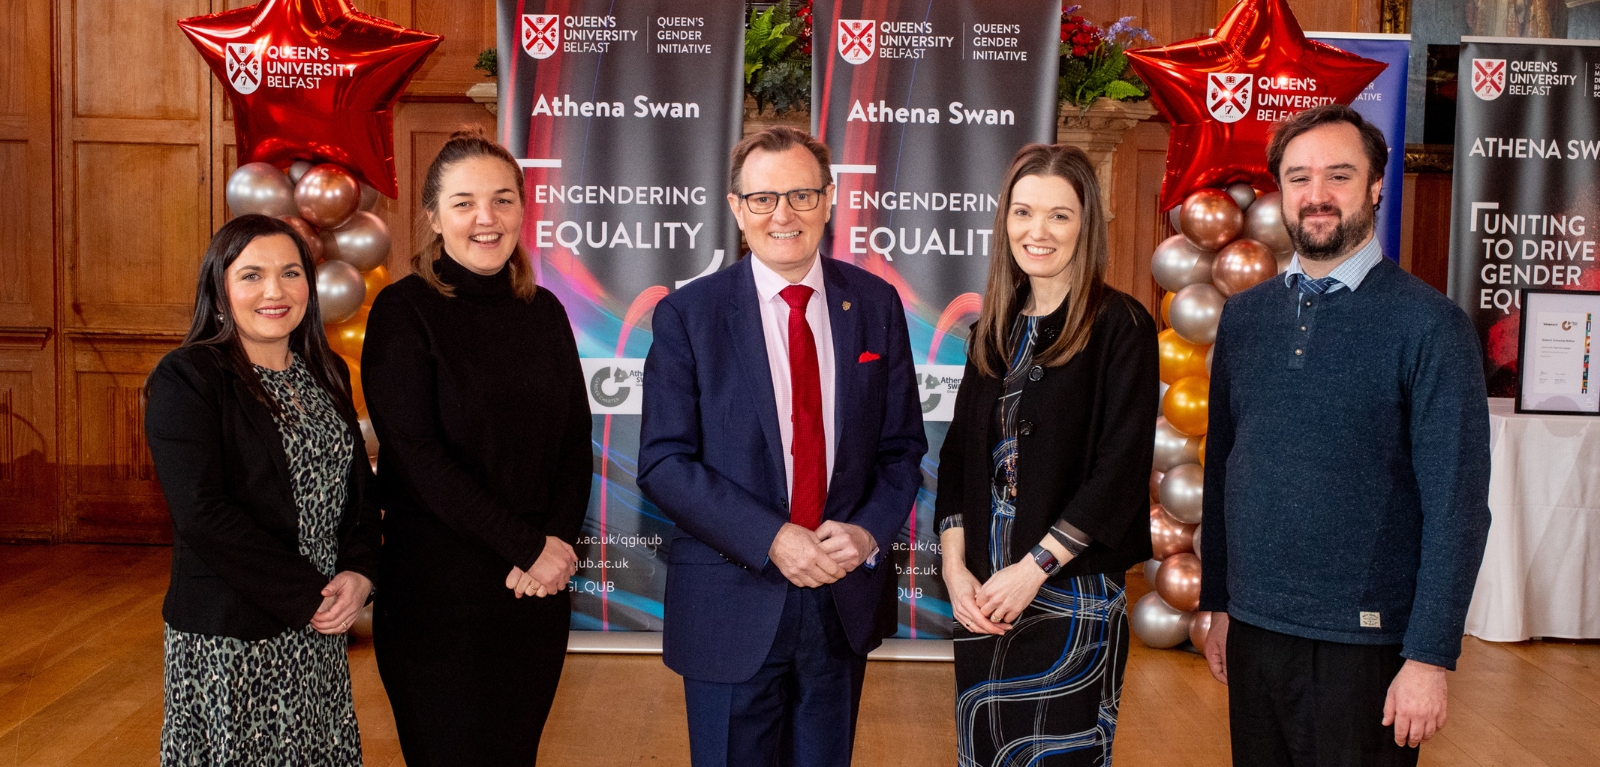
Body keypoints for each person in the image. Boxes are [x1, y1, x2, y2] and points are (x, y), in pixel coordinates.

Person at [1199, 103, 1492, 765]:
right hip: (1253, 632)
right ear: (1280, 191)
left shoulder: (1430, 326)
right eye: (1299, 178)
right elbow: (1223, 470)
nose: (1317, 195)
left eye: (1339, 175)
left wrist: (1429, 654)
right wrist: (1219, 601)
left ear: (1377, 185)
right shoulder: (1245, 319)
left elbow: (1457, 507)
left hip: (1367, 647)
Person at [636, 125, 927, 767]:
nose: (783, 215)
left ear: (829, 199)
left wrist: (868, 534)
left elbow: (902, 448)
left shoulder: (875, 304)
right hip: (729, 605)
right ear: (737, 208)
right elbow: (663, 462)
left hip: (840, 600)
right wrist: (771, 537)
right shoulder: (689, 314)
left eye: (800, 194)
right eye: (763, 199)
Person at [362, 129, 590, 766]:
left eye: (502, 200)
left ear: (522, 208)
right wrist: (527, 546)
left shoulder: (545, 311)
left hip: (534, 592)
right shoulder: (403, 312)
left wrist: (555, 547)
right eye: (463, 203)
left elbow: (575, 442)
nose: (485, 219)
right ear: (433, 217)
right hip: (439, 596)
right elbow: (416, 454)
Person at [933, 144, 1159, 766]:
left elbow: (1119, 471)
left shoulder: (1122, 325)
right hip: (983, 596)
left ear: (1086, 226)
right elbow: (956, 460)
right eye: (1023, 212)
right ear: (1004, 220)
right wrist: (955, 571)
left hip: (1069, 594)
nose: (1038, 232)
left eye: (1060, 215)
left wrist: (1033, 569)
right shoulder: (993, 327)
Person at [144, 214, 381, 765]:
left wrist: (360, 571)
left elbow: (358, 491)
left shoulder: (326, 372)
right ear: (220, 289)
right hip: (234, 636)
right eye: (251, 275)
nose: (274, 291)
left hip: (320, 629)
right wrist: (310, 596)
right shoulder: (188, 377)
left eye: (290, 273)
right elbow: (203, 514)